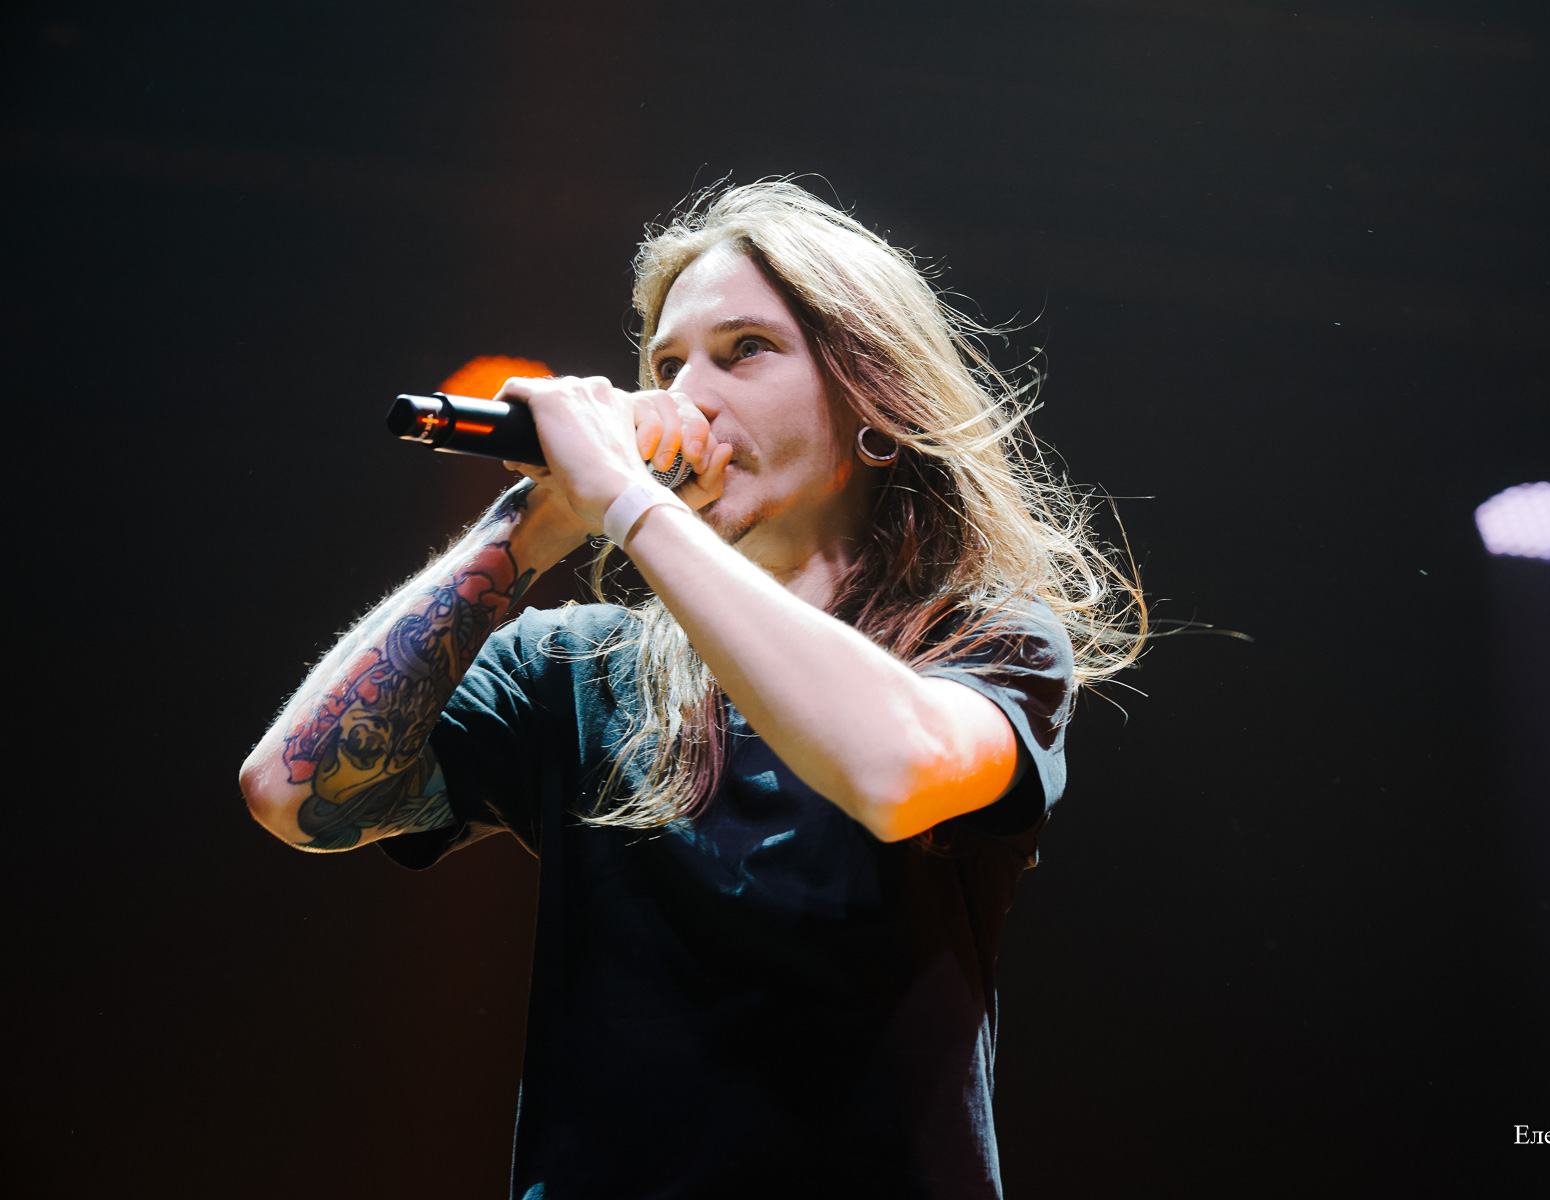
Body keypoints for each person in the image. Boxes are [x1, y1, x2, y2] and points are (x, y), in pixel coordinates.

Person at [238, 181, 1145, 1199]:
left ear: (872, 398)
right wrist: (530, 526)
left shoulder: (986, 642)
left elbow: (894, 773)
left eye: (744, 350)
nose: (687, 398)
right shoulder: (578, 667)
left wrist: (628, 501)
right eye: (667, 365)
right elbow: (294, 793)